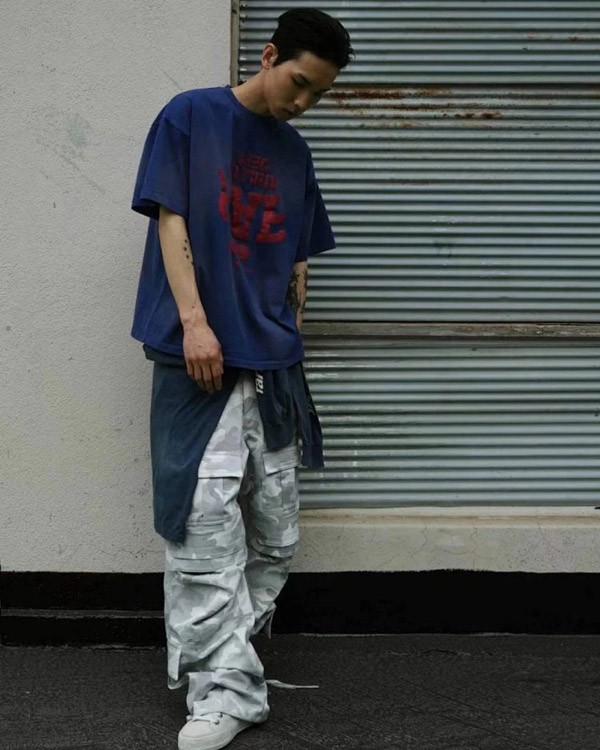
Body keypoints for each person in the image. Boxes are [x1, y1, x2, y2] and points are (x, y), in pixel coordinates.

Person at [131, 8, 353, 750]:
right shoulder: (191, 116)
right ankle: (223, 690)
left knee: (277, 533)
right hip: (200, 361)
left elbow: (297, 257)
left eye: (318, 94)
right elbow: (169, 219)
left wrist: (291, 327)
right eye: (299, 82)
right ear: (268, 55)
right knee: (204, 530)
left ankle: (232, 657)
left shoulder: (295, 151)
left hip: (273, 365)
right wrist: (195, 322)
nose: (303, 102)